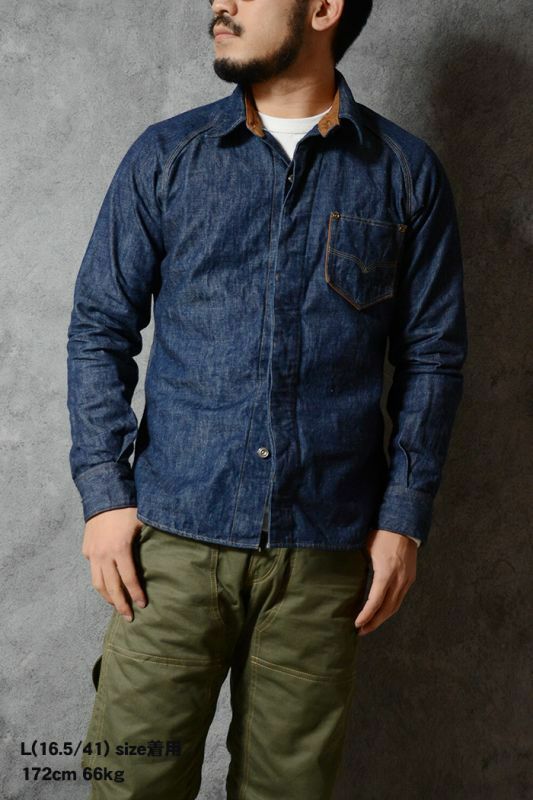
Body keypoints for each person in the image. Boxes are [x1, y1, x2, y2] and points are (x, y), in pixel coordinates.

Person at [66, 1, 468, 797]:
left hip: (324, 554)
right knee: (130, 785)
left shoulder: (404, 171)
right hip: (172, 544)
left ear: (322, 8)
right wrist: (105, 497)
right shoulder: (166, 156)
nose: (222, 3)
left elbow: (432, 357)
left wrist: (403, 519)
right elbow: (99, 328)